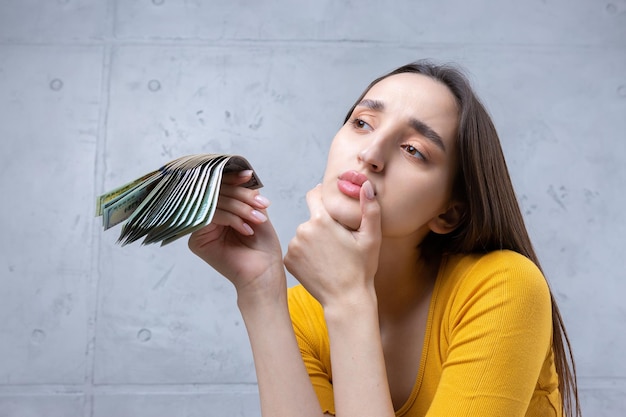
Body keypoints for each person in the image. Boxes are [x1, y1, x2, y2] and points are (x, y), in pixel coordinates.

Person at [188, 60, 581, 417]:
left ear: (448, 212)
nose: (371, 153)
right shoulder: (303, 314)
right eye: (362, 123)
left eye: (413, 149)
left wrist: (348, 298)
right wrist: (260, 291)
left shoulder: (504, 286)